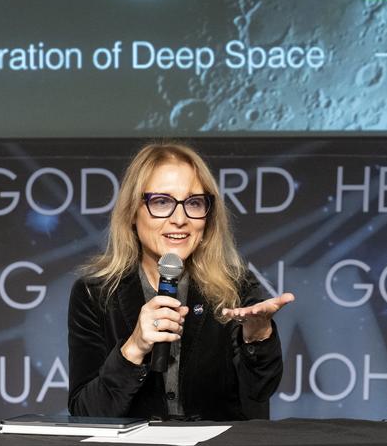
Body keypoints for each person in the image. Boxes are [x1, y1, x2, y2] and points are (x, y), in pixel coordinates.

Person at [68, 142, 295, 420]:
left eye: (194, 203)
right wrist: (134, 348)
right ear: (132, 212)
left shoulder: (236, 285)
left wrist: (258, 336)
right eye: (161, 202)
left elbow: (260, 391)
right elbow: (85, 413)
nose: (180, 219)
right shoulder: (95, 293)